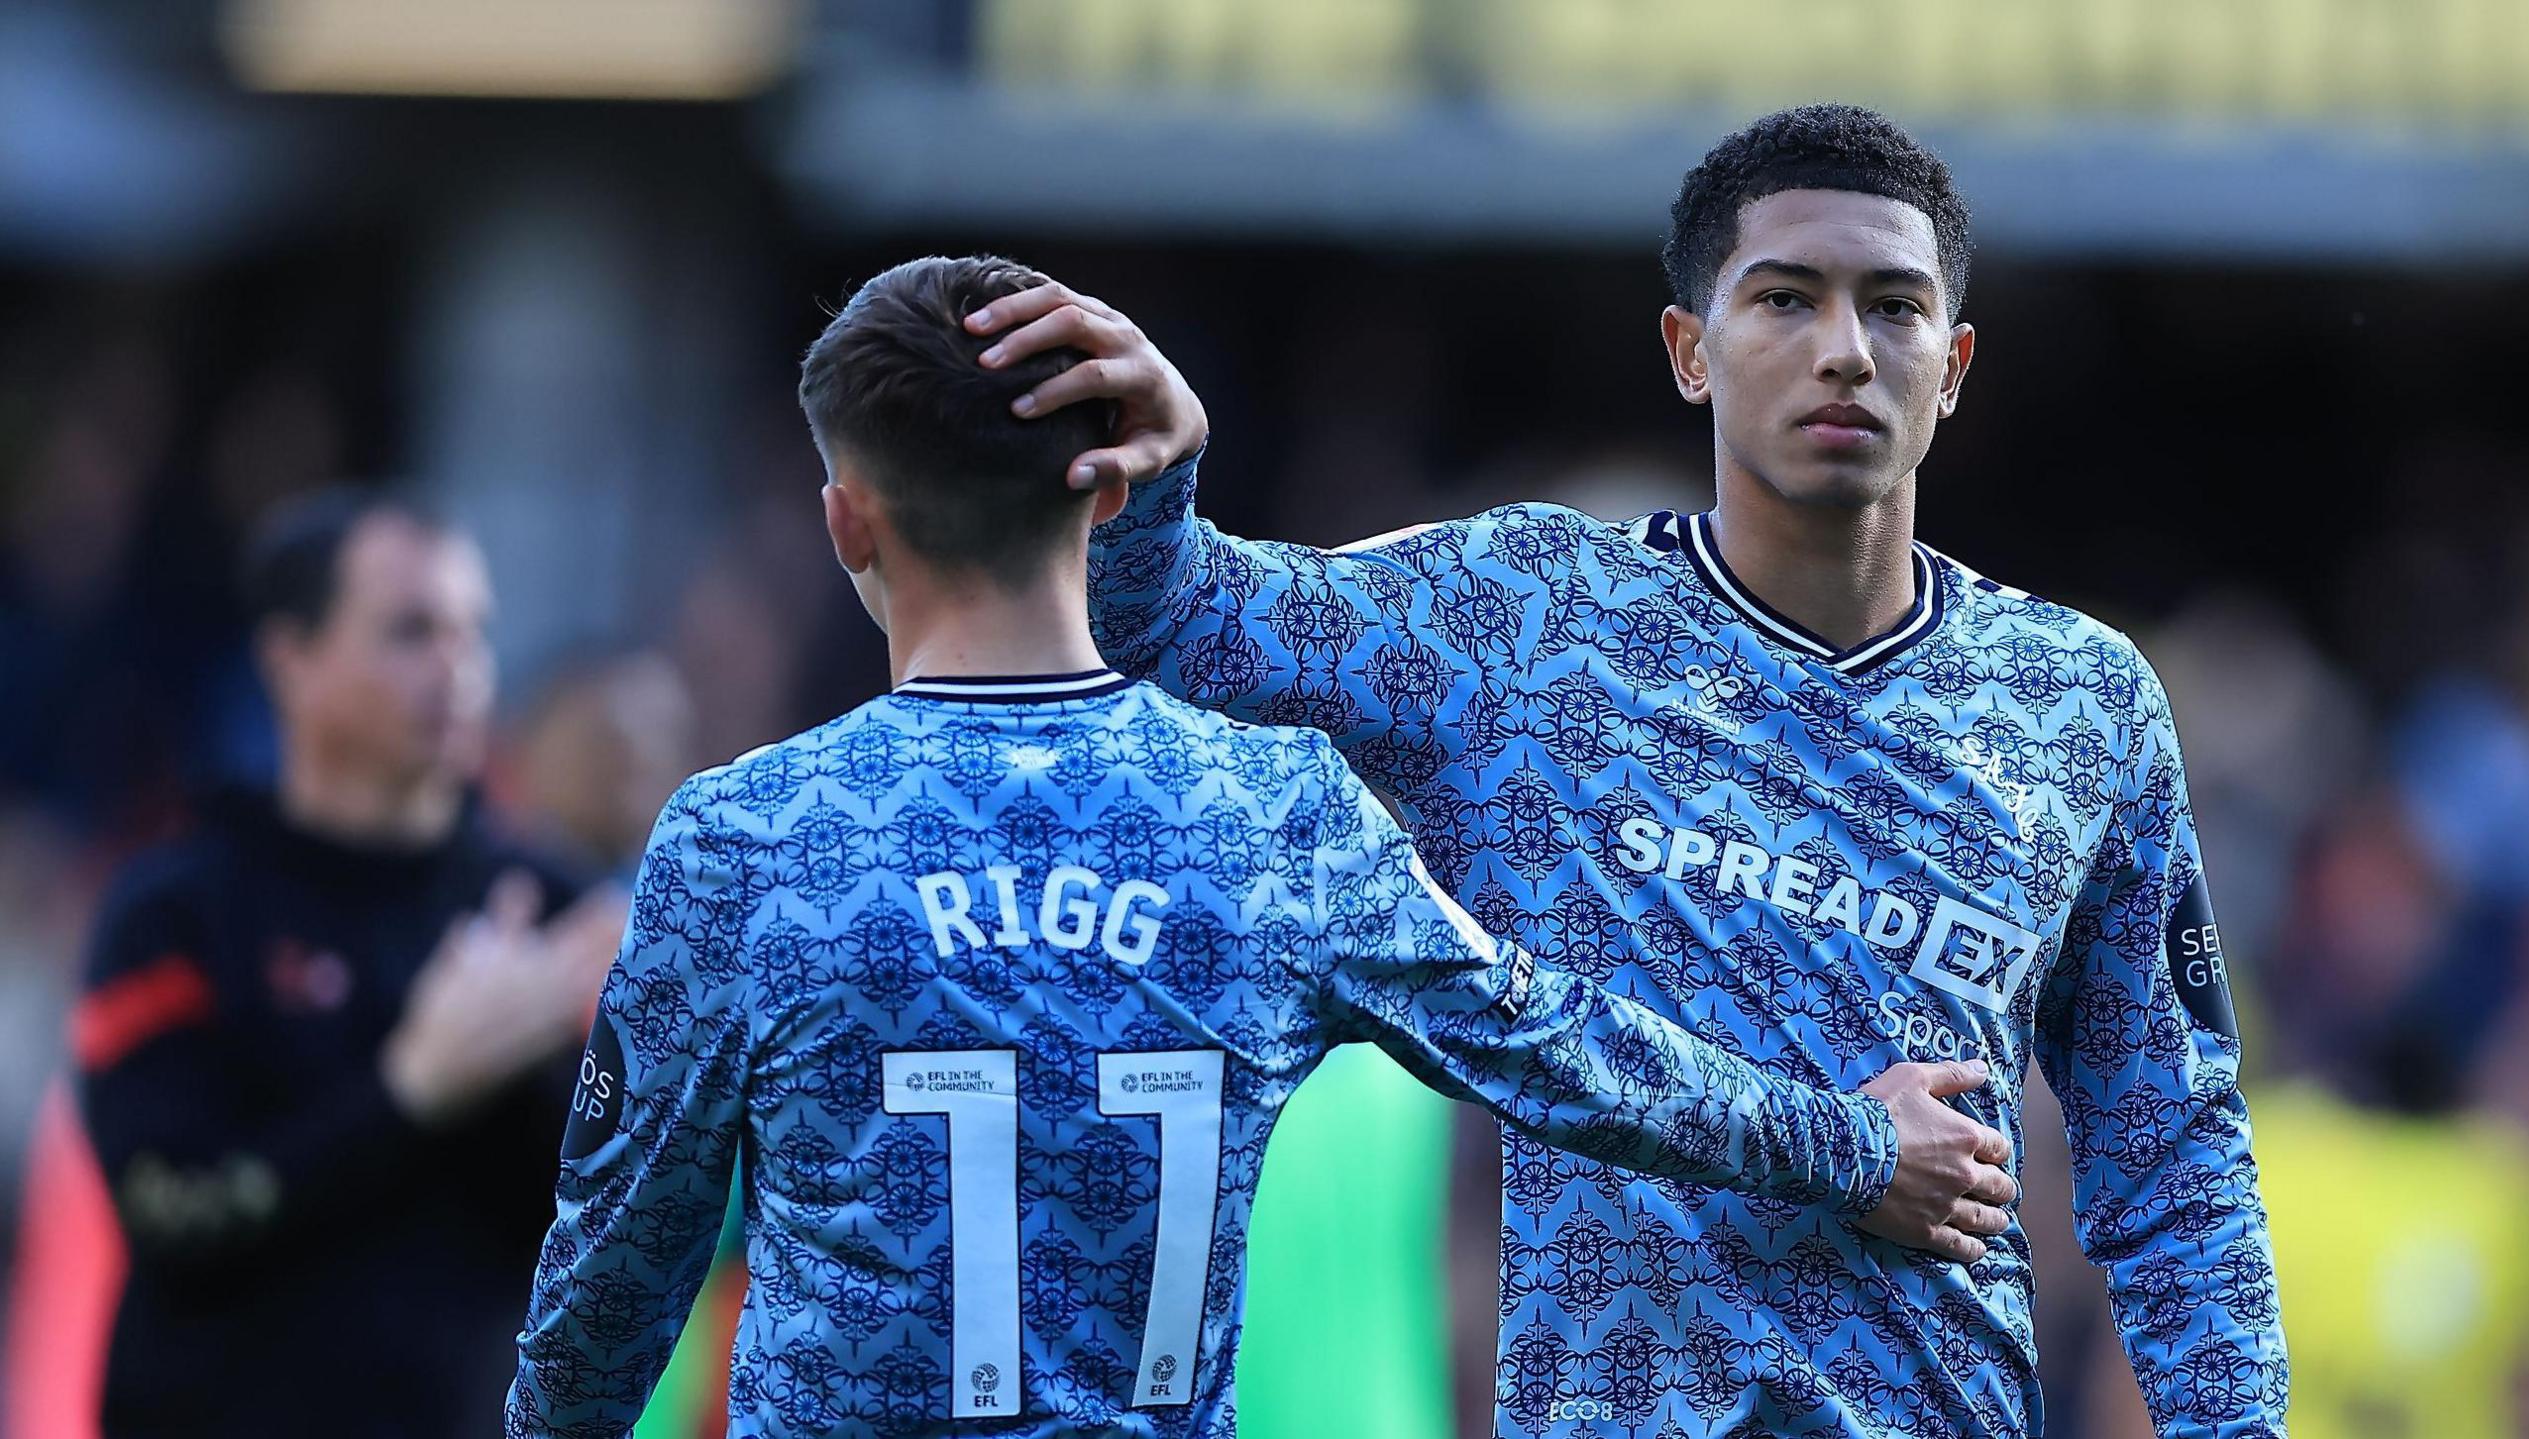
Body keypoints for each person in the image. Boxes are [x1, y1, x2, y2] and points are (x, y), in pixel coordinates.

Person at [504, 254, 2018, 1437]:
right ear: (1103, 486)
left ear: (849, 523)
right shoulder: (1275, 811)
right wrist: (1853, 1140)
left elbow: (610, 1287)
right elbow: (1568, 1049)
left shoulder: (744, 837)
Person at [976, 104, 2288, 1436]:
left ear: (1950, 367)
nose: (1844, 351)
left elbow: (2172, 1161)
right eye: (1785, 299)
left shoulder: (2082, 700)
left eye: (1892, 309)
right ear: (1690, 350)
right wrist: (1156, 473)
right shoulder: (1529, 616)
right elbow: (1180, 624)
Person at [71, 490, 623, 1437]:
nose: (459, 669)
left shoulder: (556, 915)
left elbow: (628, 1234)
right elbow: (172, 1212)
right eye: (412, 631)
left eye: (473, 631)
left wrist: (540, 1065)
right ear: (290, 661)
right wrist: (411, 1089)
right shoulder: (173, 915)